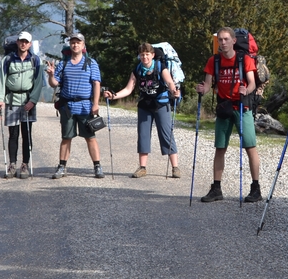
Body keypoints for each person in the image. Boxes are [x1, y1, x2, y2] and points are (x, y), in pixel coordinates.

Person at [195, 27, 262, 202]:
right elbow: (209, 84)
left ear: (233, 41)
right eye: (220, 40)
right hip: (224, 107)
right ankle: (216, 188)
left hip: (242, 107)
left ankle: (256, 188)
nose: (223, 43)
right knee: (220, 148)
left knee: (250, 147)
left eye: (226, 39)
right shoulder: (214, 61)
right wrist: (203, 89)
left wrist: (246, 90)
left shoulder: (244, 59)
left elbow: (252, 83)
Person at [104, 43, 182, 179]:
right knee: (143, 135)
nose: (144, 57)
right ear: (139, 56)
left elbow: (169, 82)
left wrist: (174, 91)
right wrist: (114, 95)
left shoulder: (160, 67)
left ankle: (175, 168)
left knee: (166, 134)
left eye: (147, 54)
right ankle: (142, 168)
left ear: (152, 55)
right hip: (144, 105)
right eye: (142, 55)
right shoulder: (137, 70)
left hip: (161, 104)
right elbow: (128, 89)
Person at [46, 32, 104, 179]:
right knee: (66, 137)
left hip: (85, 106)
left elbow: (96, 84)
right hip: (67, 107)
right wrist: (51, 75)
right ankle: (62, 167)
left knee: (90, 136)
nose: (75, 44)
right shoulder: (63, 64)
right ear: (70, 45)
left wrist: (96, 103)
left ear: (83, 45)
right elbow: (54, 84)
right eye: (73, 42)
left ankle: (97, 166)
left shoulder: (91, 63)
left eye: (78, 42)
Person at [0, 31, 43, 179]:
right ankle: (12, 164)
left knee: (27, 134)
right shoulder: (8, 59)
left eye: (26, 42)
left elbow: (38, 82)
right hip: (11, 100)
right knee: (13, 134)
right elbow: (2, 80)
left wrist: (33, 100)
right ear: (17, 42)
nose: (23, 44)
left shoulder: (35, 60)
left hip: (28, 101)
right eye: (21, 41)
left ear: (29, 44)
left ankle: (25, 165)